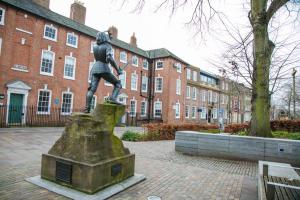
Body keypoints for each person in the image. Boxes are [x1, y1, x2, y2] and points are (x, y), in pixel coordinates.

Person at [84, 31, 123, 113]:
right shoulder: (107, 46)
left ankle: (87, 109)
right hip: (103, 68)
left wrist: (109, 38)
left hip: (95, 68)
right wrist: (117, 69)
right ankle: (112, 98)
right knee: (118, 83)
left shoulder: (94, 46)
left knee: (91, 90)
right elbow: (109, 58)